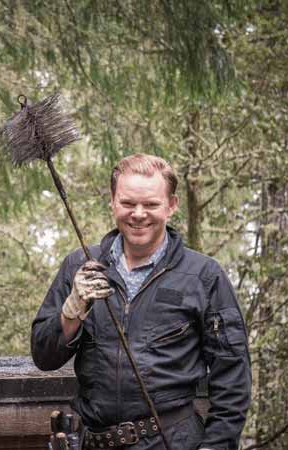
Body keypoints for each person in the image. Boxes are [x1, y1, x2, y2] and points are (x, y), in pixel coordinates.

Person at [31, 154, 251, 450]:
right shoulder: (80, 266)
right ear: (112, 201)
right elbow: (44, 357)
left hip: (171, 441)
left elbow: (233, 377)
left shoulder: (203, 276)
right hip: (92, 441)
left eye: (150, 204)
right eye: (127, 203)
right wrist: (71, 311)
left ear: (171, 206)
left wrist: (216, 446)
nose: (138, 214)